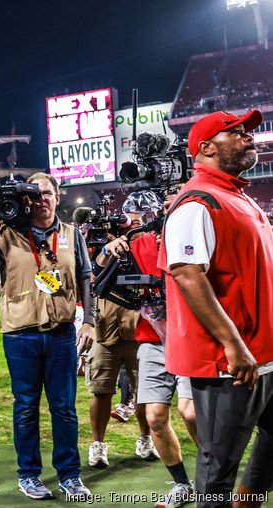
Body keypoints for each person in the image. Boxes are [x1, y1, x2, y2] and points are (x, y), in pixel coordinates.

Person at [159, 110, 273, 508]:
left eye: (247, 132)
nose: (248, 137)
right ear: (205, 147)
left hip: (263, 353)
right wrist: (232, 342)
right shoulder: (196, 201)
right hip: (230, 362)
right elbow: (188, 274)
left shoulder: (236, 197)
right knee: (218, 467)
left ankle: (248, 500)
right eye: (236, 133)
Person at [0, 172, 96, 501]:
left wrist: (89, 320)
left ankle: (70, 475)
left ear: (57, 197)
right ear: (27, 199)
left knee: (64, 408)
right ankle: (28, 474)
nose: (42, 199)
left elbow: (87, 278)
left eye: (48, 193)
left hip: (61, 333)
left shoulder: (72, 235)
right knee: (26, 408)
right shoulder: (7, 233)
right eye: (36, 194)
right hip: (20, 334)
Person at [99, 188, 199, 508]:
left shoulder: (184, 234)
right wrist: (108, 248)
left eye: (139, 217)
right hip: (152, 339)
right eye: (132, 218)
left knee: (192, 413)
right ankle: (183, 484)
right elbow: (99, 271)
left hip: (187, 336)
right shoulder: (133, 241)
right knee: (155, 417)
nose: (134, 223)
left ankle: (214, 475)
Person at [85, 201, 158, 470]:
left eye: (137, 224)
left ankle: (146, 438)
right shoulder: (108, 246)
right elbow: (94, 270)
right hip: (107, 331)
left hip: (142, 332)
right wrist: (108, 247)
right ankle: (98, 444)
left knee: (145, 394)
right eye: (128, 224)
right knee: (101, 391)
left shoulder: (152, 246)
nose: (131, 229)